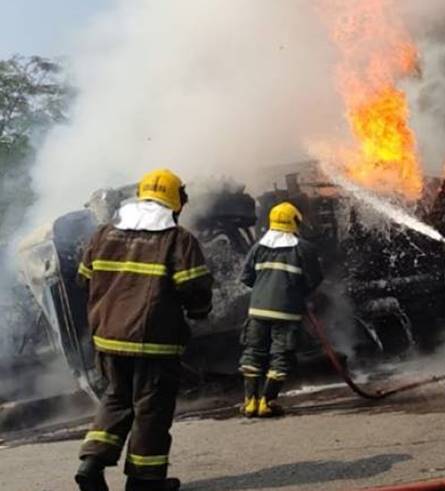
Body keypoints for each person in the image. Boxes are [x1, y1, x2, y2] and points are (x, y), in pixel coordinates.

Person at [75, 169, 214, 491]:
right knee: (151, 409)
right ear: (176, 202)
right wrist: (199, 312)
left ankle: (91, 462)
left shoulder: (103, 234)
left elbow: (83, 279)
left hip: (108, 338)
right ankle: (144, 482)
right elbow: (194, 288)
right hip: (154, 342)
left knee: (116, 398)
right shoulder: (178, 239)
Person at [238, 201, 322, 417]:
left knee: (253, 353)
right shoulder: (303, 248)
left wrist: (264, 289)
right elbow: (314, 279)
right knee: (281, 356)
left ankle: (250, 402)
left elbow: (246, 277)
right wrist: (297, 293)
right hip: (286, 312)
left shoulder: (258, 247)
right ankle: (267, 402)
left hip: (257, 311)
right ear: (294, 221)